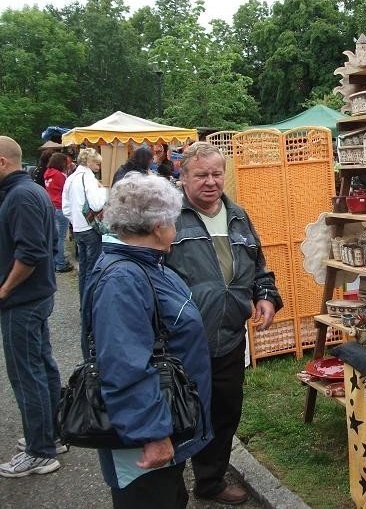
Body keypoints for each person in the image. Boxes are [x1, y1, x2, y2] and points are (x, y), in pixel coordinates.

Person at [82, 172, 212, 507]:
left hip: (164, 418)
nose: (176, 227)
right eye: (173, 220)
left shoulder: (146, 265)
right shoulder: (123, 278)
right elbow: (124, 364)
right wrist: (152, 435)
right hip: (146, 437)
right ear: (157, 226)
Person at [165, 142, 283, 505]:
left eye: (217, 174)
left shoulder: (238, 215)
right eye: (201, 175)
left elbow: (259, 266)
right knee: (179, 413)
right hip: (182, 340)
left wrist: (266, 295)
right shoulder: (168, 216)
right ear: (182, 176)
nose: (211, 182)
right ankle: (167, 490)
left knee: (225, 409)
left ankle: (210, 481)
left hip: (230, 336)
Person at [0, 136, 63, 477]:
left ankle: (41, 450)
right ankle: (50, 436)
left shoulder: (22, 195)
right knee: (41, 366)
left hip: (23, 300)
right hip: (33, 296)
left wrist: (4, 290)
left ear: (2, 162)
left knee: (27, 374)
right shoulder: (24, 191)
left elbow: (31, 253)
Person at [62, 148, 106, 306]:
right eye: (96, 163)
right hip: (91, 229)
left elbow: (65, 207)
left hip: (78, 229)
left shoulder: (71, 178)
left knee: (84, 269)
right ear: (88, 162)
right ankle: (91, 307)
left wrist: (75, 220)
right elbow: (96, 204)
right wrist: (104, 191)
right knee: (93, 270)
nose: (98, 167)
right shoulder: (89, 179)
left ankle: (84, 304)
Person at [44, 152, 73, 272]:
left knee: (54, 236)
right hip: (61, 207)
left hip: (51, 206)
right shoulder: (59, 175)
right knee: (61, 237)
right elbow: (66, 190)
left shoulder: (47, 173)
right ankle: (60, 264)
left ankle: (55, 260)